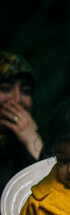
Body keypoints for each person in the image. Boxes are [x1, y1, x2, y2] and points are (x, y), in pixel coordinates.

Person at [0, 52, 42, 195]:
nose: (17, 100)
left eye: (26, 91)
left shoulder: (22, 148)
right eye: (5, 89)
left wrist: (33, 142)